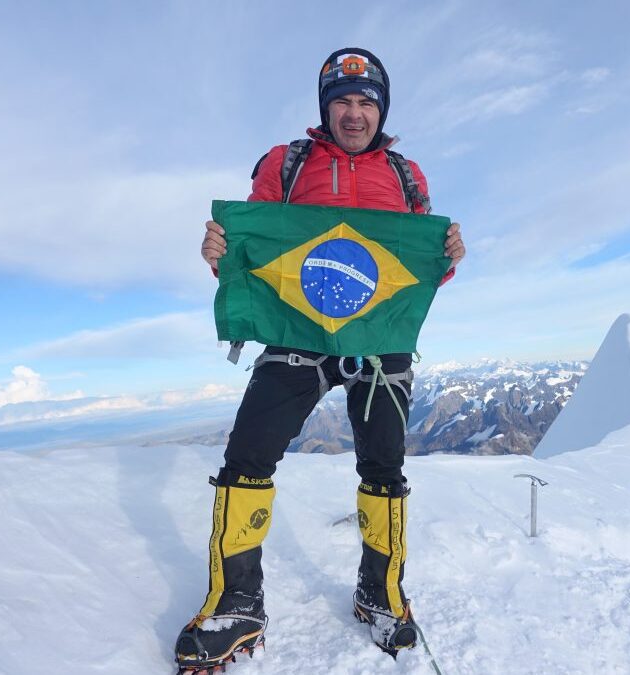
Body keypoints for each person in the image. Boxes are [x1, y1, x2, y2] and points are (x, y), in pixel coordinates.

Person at [174, 48, 466, 673]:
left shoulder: (407, 174)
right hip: (297, 333)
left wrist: (446, 258)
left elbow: (413, 276)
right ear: (325, 107)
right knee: (249, 453)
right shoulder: (286, 164)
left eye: (366, 102)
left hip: (377, 342)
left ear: (380, 109)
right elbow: (250, 250)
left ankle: (380, 593)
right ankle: (235, 603)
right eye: (343, 100)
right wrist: (219, 250)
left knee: (383, 464)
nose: (354, 113)